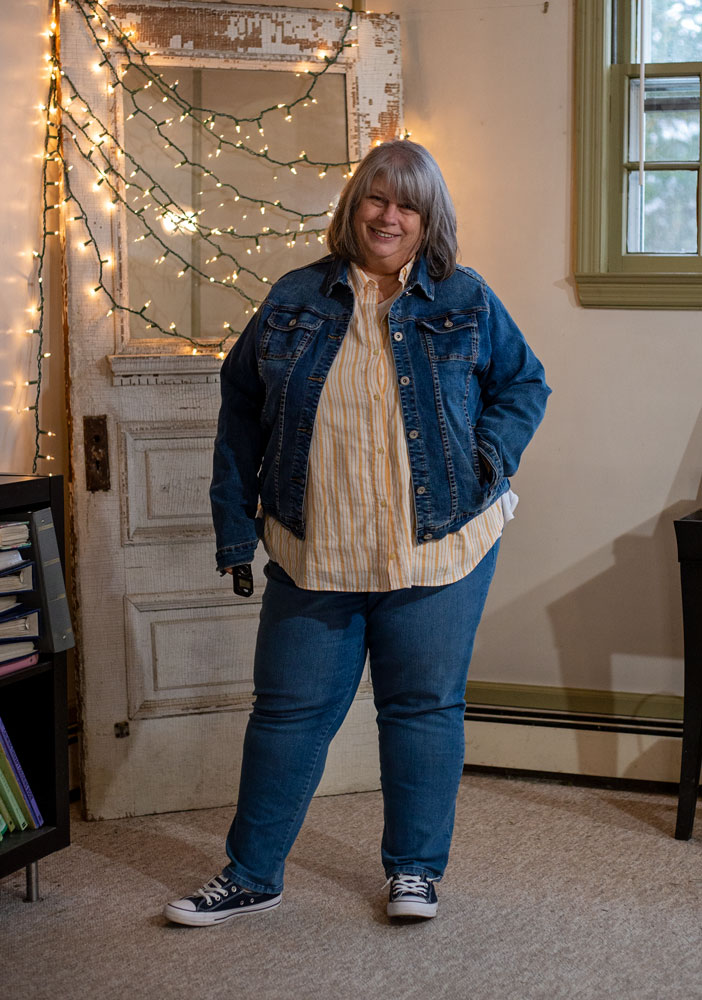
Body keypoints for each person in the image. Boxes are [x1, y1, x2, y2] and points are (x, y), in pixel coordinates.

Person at [163, 139, 550, 927]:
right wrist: (235, 528)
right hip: (317, 548)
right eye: (377, 198)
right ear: (354, 207)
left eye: (407, 203)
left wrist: (487, 459)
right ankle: (251, 874)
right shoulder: (295, 298)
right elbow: (239, 411)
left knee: (422, 709)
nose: (389, 215)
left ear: (427, 217)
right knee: (286, 713)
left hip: (438, 548)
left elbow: (525, 384)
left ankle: (414, 872)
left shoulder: (463, 299)